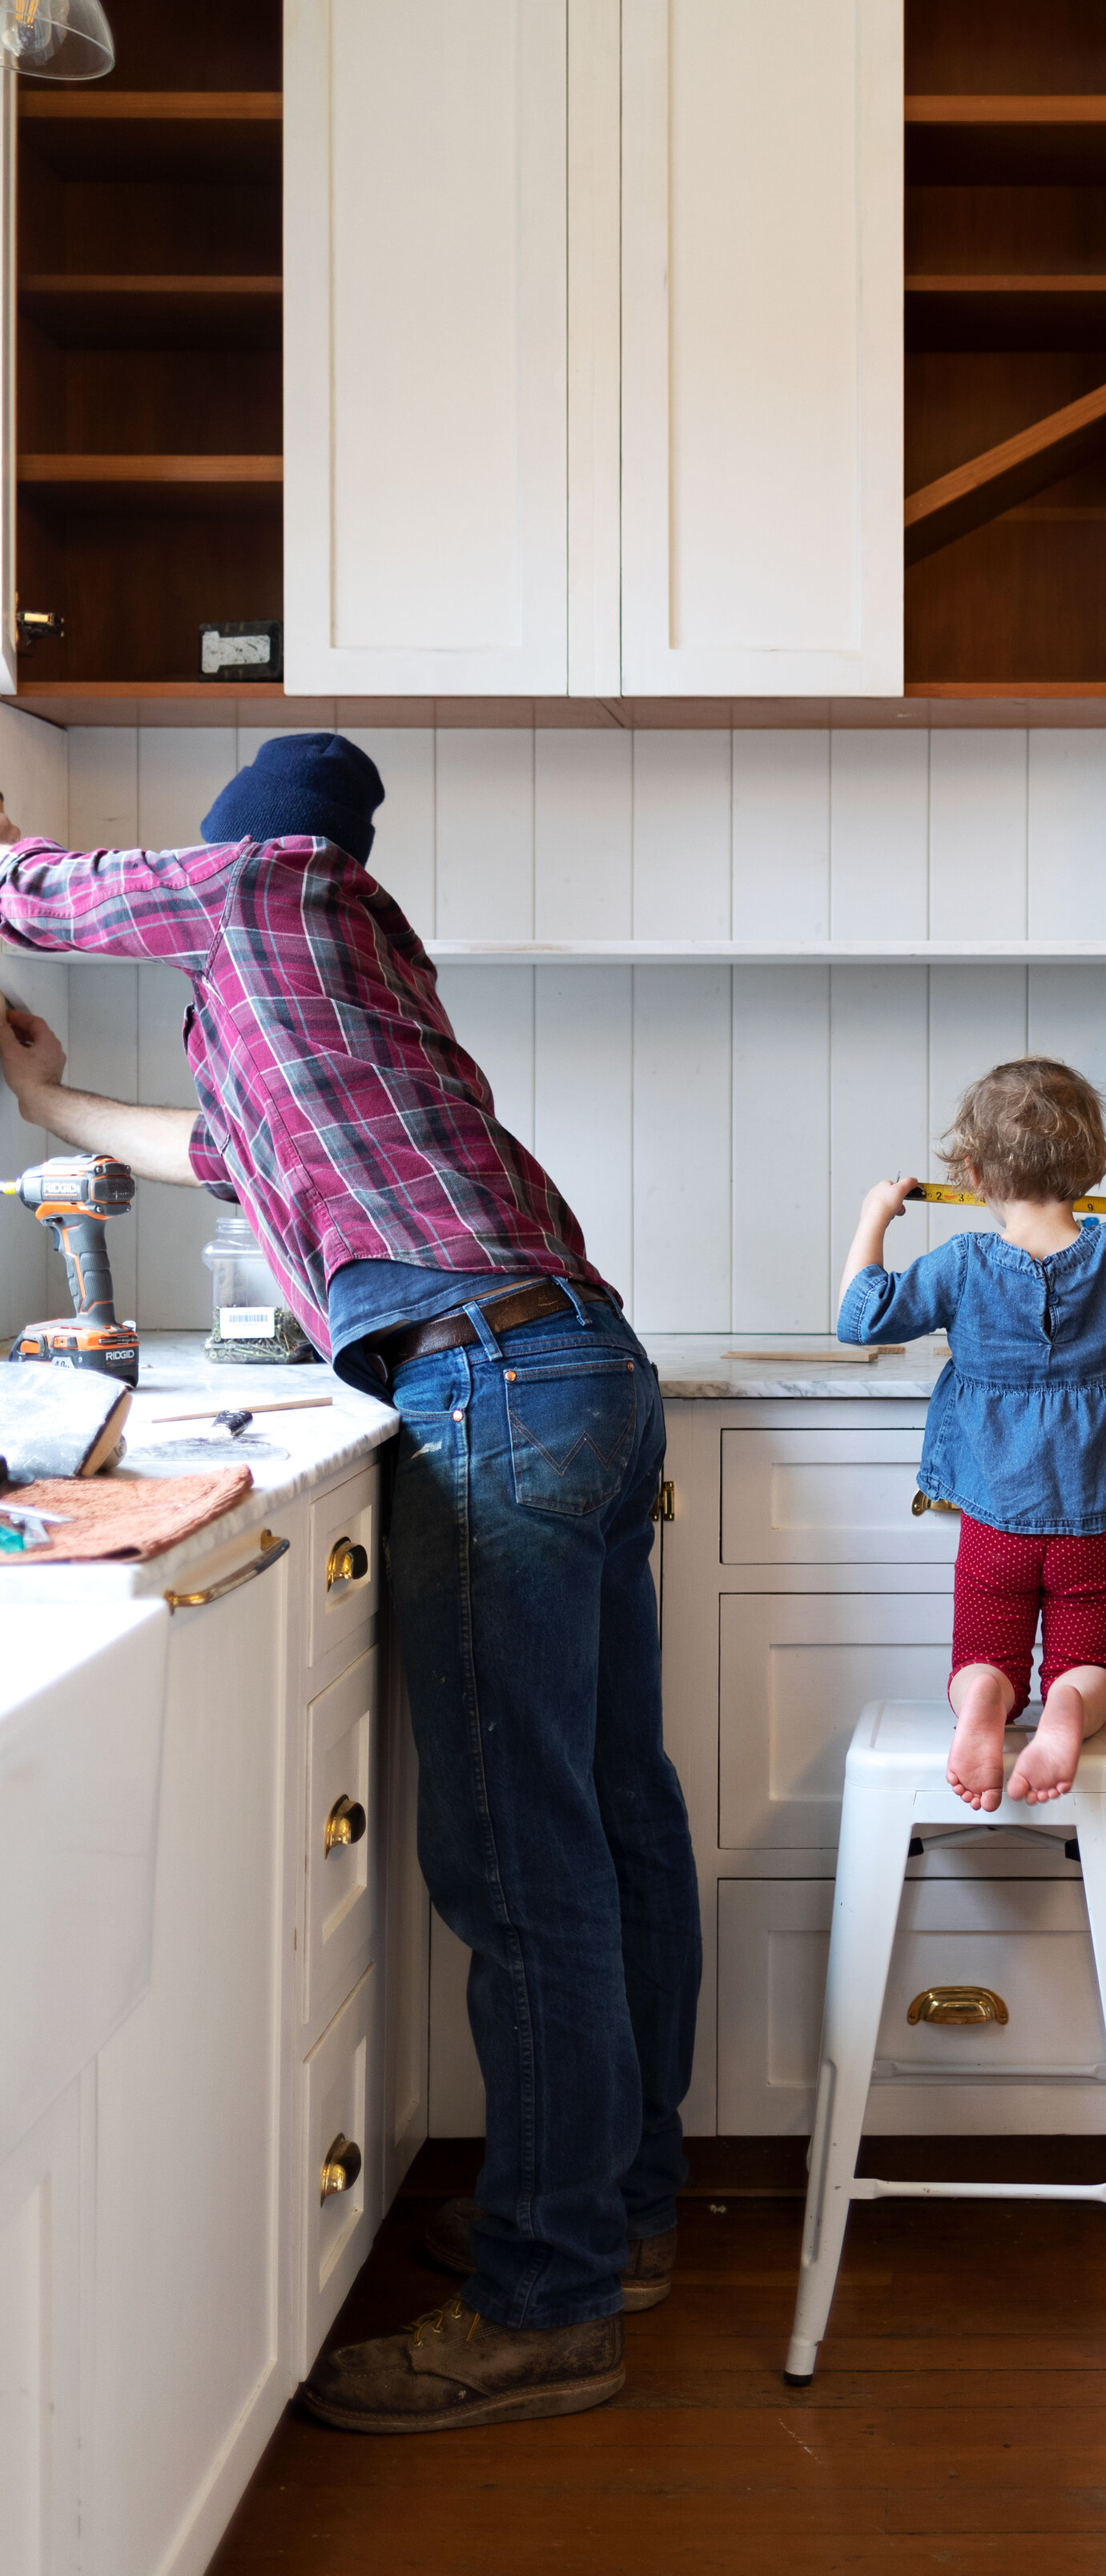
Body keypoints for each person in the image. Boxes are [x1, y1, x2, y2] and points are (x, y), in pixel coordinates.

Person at [0, 733, 700, 2435]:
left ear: (247, 845)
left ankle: (540, 2305)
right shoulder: (337, 990)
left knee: (520, 1859)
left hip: (495, 1384)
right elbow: (218, 1152)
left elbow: (38, 891)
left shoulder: (273, 884)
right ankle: (609, 2220)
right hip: (572, 1364)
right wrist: (43, 1101)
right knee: (609, 1819)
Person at [838, 1056, 1106, 1810]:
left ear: (970, 1173)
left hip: (993, 1520)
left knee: (982, 1650)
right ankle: (1067, 1707)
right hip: (1094, 1520)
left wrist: (876, 1213)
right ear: (1095, 1166)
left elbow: (859, 1316)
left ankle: (983, 1702)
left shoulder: (961, 1265)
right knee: (1090, 1656)